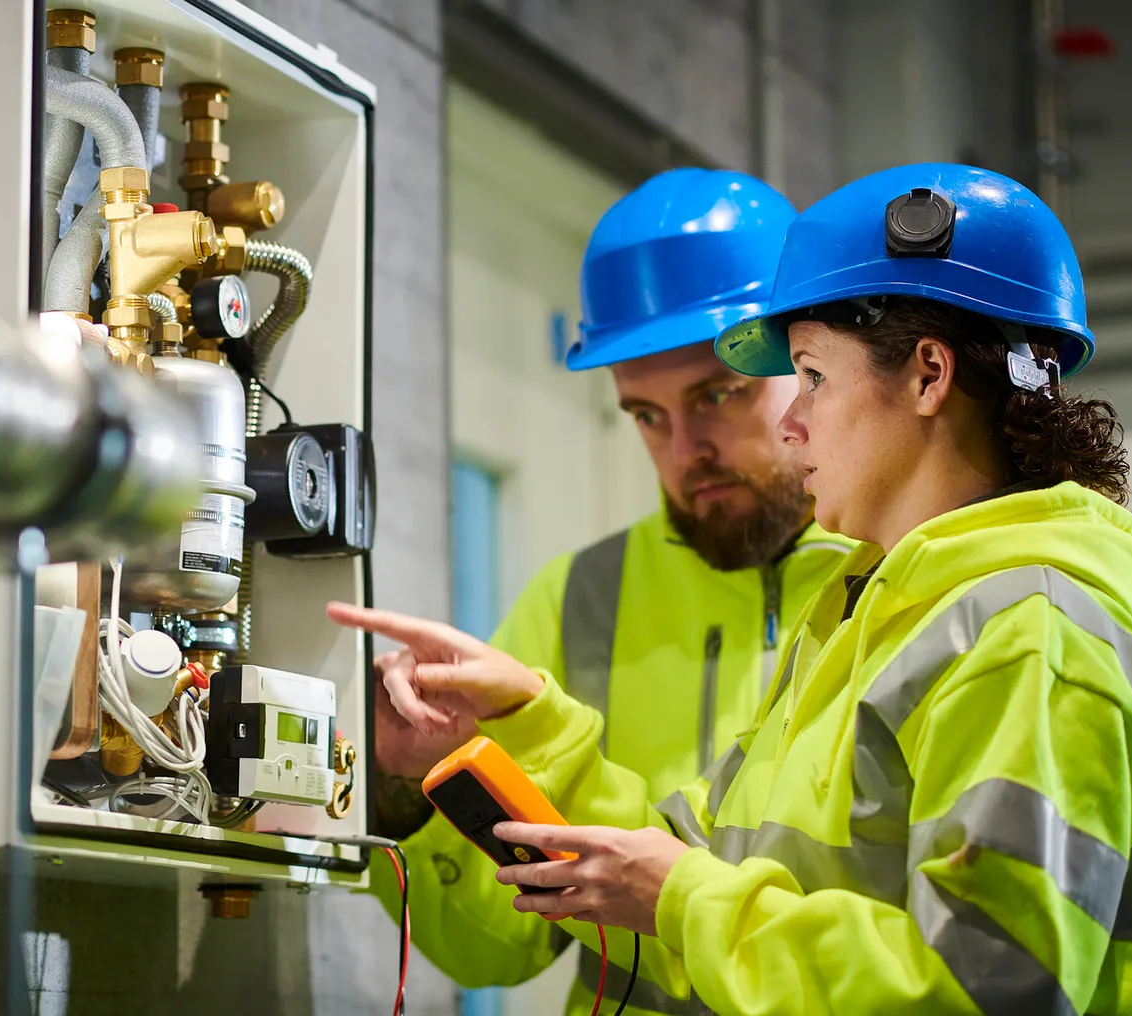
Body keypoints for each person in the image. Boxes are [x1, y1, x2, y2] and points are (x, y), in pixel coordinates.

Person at [340, 164, 1132, 1015]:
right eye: (646, 416)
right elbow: (685, 871)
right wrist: (535, 725)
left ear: (929, 376)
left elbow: (990, 992)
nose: (790, 423)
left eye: (809, 377)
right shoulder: (865, 612)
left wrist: (683, 898)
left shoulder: (1028, 629)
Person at [365, 168, 853, 1015]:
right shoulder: (574, 600)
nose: (684, 449)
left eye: (717, 396)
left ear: (806, 365)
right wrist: (405, 792)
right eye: (646, 415)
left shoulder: (904, 578)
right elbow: (496, 948)